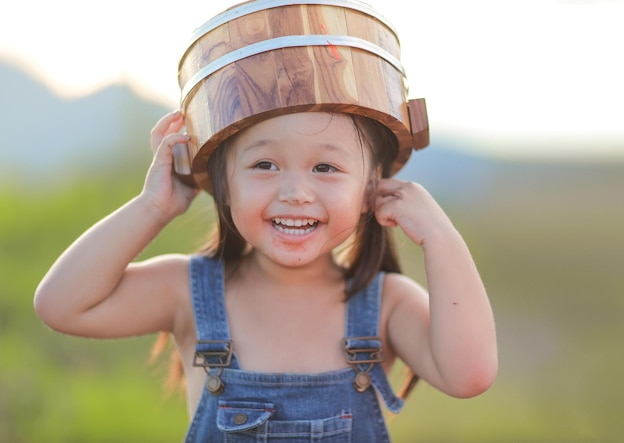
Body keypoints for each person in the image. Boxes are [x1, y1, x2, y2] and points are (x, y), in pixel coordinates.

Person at [35, 109, 497, 441]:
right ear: (222, 186)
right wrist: (155, 207)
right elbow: (61, 305)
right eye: (264, 165)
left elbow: (470, 375)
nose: (295, 192)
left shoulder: (386, 303)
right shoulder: (187, 291)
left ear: (370, 190)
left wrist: (441, 236)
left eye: (325, 167)